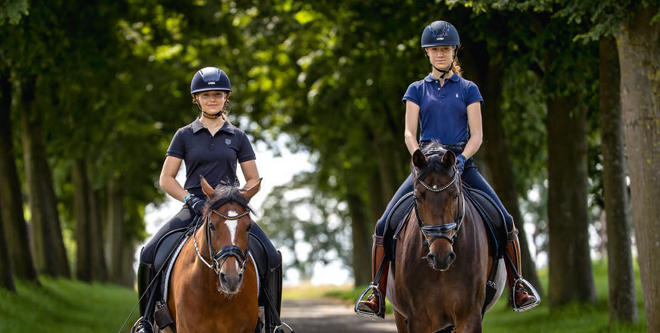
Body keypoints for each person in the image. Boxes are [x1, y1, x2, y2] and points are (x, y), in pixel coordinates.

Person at [355, 21, 540, 319]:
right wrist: (418, 157)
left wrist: (463, 159)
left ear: (454, 52)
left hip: (461, 165)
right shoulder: (416, 89)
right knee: (383, 224)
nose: (440, 54)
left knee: (505, 220)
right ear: (427, 53)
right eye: (434, 50)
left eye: (445, 49)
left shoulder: (468, 89)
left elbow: (477, 134)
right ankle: (376, 290)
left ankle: (518, 285)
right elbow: (408, 133)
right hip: (426, 167)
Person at [133, 67, 281, 333]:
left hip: (229, 212)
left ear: (226, 98)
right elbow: (167, 178)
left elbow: (252, 179)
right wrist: (190, 200)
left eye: (217, 94)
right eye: (206, 95)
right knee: (149, 253)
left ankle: (272, 324)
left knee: (271, 256)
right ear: (196, 99)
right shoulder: (184, 135)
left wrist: (236, 198)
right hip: (195, 207)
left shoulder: (238, 137)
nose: (212, 99)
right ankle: (146, 320)